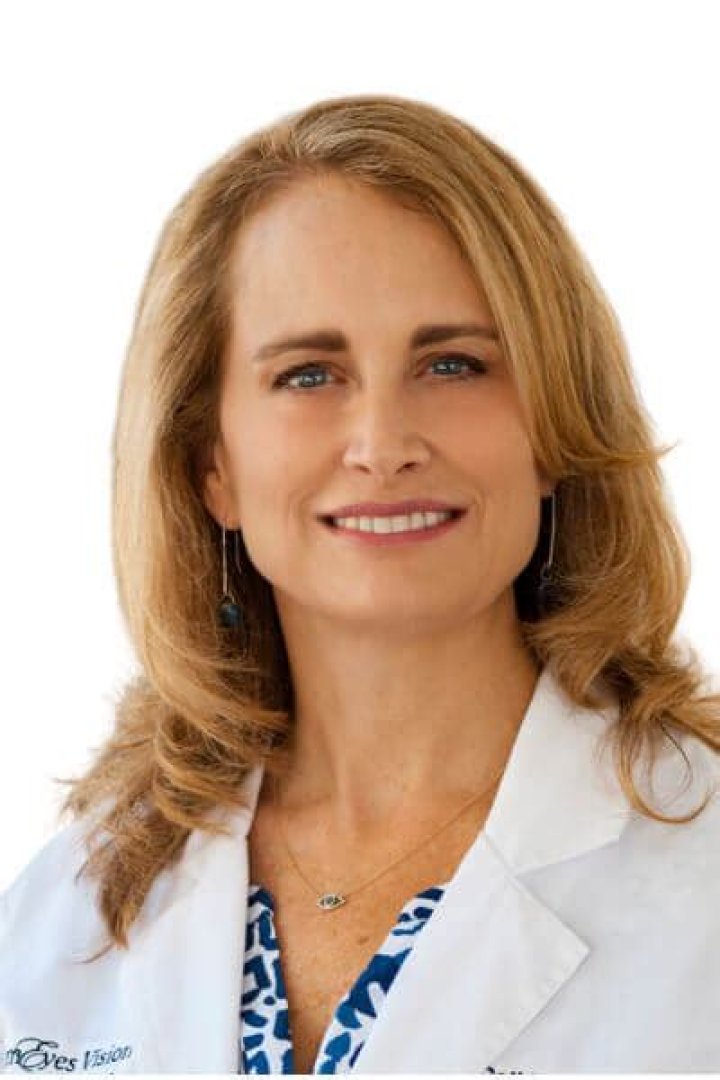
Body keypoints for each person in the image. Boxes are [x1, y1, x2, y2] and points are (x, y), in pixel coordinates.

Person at [2, 93, 720, 1076]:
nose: (383, 445)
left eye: (454, 364)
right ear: (212, 465)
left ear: (555, 429)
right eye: (309, 375)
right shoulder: (67, 912)